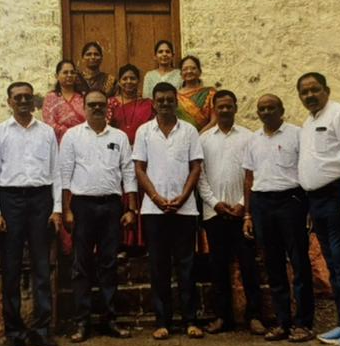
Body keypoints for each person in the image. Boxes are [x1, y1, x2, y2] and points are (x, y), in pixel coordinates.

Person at [60, 90, 138, 343]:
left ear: (107, 108)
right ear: (84, 107)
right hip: (82, 206)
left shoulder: (119, 137)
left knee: (109, 264)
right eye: (91, 104)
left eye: (100, 104)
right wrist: (66, 209)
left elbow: (128, 172)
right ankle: (82, 322)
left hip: (111, 207)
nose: (96, 108)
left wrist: (131, 208)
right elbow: (64, 174)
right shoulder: (72, 136)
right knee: (81, 266)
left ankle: (109, 319)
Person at [296, 72, 340, 346]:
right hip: (316, 201)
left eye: (314, 89)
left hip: (338, 197)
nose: (310, 95)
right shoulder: (308, 122)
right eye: (304, 92)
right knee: (333, 266)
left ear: (326, 89)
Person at [0, 81, 63, 346]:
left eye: (27, 97)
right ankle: (14, 331)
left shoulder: (46, 132)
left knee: (41, 267)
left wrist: (57, 209)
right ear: (9, 101)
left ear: (34, 101)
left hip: (40, 200)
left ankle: (42, 329)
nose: (23, 101)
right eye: (18, 97)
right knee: (10, 267)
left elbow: (56, 172)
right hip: (10, 200)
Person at [133, 82, 205, 340]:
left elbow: (196, 167)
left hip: (185, 210)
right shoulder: (144, 131)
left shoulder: (189, 131)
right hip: (154, 210)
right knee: (158, 266)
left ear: (176, 102)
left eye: (169, 99)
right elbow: (139, 168)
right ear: (153, 103)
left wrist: (183, 197)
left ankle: (190, 320)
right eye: (160, 100)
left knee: (187, 266)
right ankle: (162, 322)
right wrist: (156, 197)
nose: (164, 103)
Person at [241, 94, 314, 342]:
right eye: (261, 109)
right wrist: (248, 213)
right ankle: (283, 322)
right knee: (273, 265)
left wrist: (309, 209)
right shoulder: (253, 140)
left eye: (271, 108)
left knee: (299, 263)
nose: (266, 112)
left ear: (281, 110)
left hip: (291, 201)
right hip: (262, 204)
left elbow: (307, 169)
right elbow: (249, 179)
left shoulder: (297, 134)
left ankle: (303, 323)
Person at [197, 90, 265, 335]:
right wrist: (214, 202)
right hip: (214, 213)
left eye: (229, 106)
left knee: (248, 265)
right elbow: (199, 176)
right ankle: (222, 317)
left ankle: (254, 316)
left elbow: (254, 174)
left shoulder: (248, 137)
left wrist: (242, 204)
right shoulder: (203, 139)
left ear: (235, 107)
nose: (224, 110)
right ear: (214, 110)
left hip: (242, 214)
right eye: (220, 107)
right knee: (218, 267)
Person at [107, 63, 153, 251]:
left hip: (142, 155)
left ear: (138, 81)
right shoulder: (111, 103)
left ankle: (140, 243)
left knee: (140, 193)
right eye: (124, 78)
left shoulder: (148, 104)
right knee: (121, 193)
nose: (128, 82)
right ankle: (120, 242)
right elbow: (106, 129)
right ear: (119, 81)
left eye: (132, 78)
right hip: (116, 155)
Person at [44, 59, 86, 142]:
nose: (69, 75)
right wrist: (70, 134)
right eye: (65, 72)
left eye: (72, 72)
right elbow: (49, 123)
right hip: (59, 142)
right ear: (57, 76)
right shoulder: (51, 98)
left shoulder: (83, 97)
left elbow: (89, 120)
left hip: (82, 140)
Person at [176, 55, 217, 132]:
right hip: (180, 136)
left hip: (205, 136)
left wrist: (198, 136)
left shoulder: (210, 93)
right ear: (181, 74)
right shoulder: (175, 96)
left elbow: (214, 121)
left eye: (193, 68)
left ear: (200, 71)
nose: (189, 71)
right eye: (185, 69)